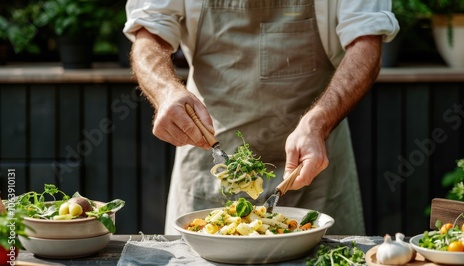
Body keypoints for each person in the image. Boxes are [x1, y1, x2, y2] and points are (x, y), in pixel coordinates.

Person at [124, 0, 399, 235]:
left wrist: (318, 122)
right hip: (208, 154)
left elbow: (366, 40)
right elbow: (149, 33)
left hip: (315, 160)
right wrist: (166, 90)